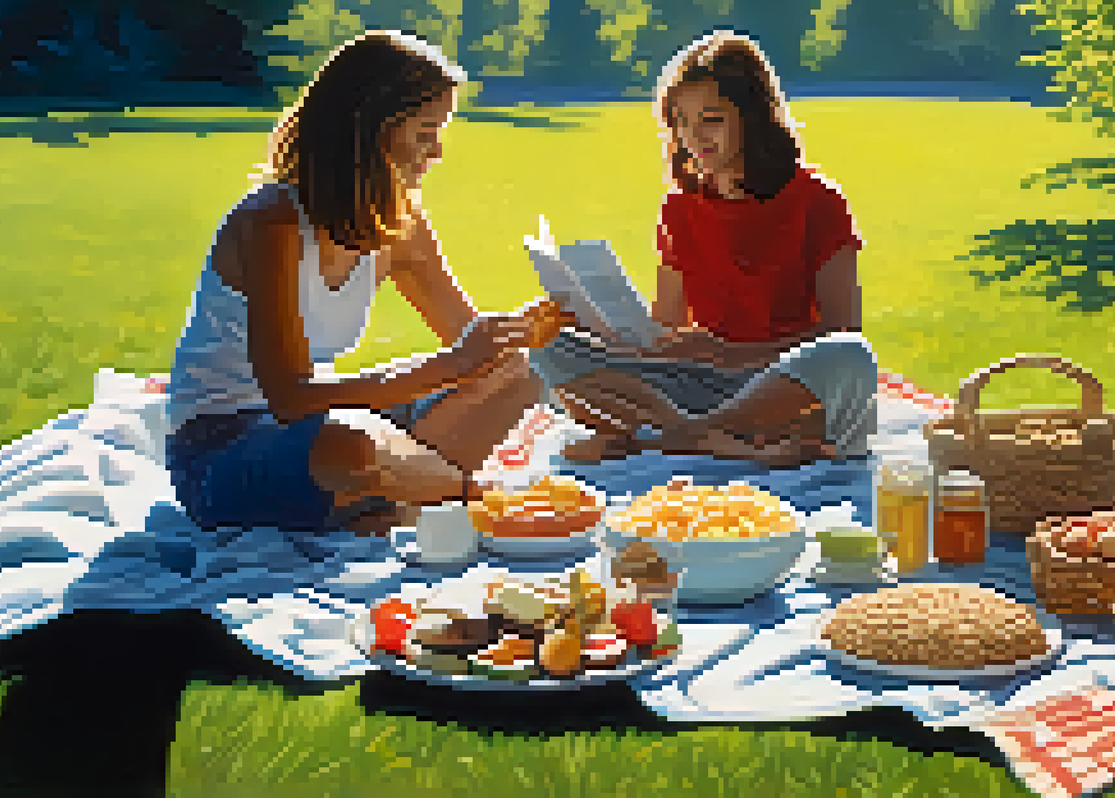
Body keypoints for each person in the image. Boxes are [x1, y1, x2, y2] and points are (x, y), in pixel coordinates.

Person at [165, 31, 573, 537]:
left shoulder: (401, 224)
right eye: (426, 131)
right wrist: (452, 365)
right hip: (221, 449)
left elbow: (470, 348)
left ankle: (398, 500)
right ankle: (472, 500)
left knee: (517, 372)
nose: (438, 151)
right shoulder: (271, 224)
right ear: (367, 129)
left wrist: (524, 331)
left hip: (319, 434)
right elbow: (290, 398)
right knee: (351, 442)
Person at [531, 30, 878, 468]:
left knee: (851, 359)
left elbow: (843, 333)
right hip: (701, 384)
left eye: (711, 120)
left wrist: (730, 354)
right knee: (548, 349)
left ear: (752, 117)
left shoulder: (818, 202)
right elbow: (665, 332)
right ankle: (718, 438)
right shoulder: (679, 209)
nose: (693, 137)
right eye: (681, 122)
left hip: (783, 383)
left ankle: (672, 436)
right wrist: (597, 328)